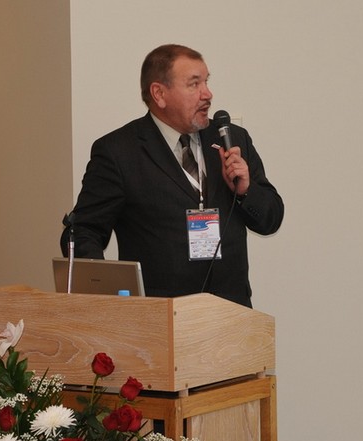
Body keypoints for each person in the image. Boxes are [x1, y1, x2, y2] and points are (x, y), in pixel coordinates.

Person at [61, 44, 284, 308]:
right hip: (159, 315)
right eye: (194, 84)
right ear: (159, 94)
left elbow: (271, 219)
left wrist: (246, 191)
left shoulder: (232, 139)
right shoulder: (119, 152)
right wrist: (108, 298)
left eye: (206, 82)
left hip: (231, 312)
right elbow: (84, 231)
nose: (207, 94)